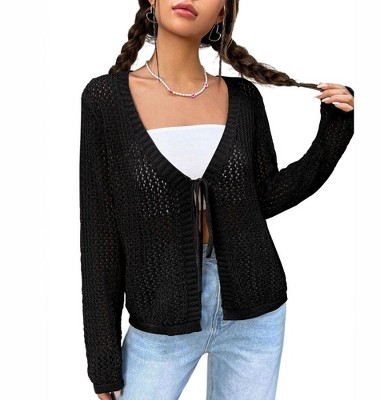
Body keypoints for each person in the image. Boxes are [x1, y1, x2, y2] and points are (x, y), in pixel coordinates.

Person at [79, 0, 354, 399]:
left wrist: (335, 131)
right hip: (160, 314)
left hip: (256, 309)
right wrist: (103, 361)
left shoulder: (243, 98)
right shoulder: (106, 99)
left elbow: (265, 198)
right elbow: (100, 236)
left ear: (222, 13)